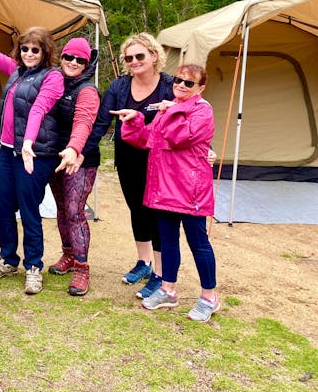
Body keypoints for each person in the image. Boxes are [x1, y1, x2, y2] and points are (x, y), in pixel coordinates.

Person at [0, 0, 64, 296]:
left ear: (45, 52)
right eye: (25, 48)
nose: (29, 53)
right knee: (3, 207)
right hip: (8, 151)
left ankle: (34, 266)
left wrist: (29, 142)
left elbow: (39, 109)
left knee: (29, 210)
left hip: (35, 154)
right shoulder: (17, 71)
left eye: (35, 49)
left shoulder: (53, 77)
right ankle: (8, 259)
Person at [111, 63, 220, 322]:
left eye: (189, 83)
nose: (181, 85)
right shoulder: (170, 108)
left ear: (201, 88)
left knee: (199, 243)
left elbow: (180, 136)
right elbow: (147, 139)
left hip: (190, 190)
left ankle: (209, 297)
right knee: (168, 240)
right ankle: (168, 289)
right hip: (164, 187)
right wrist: (136, 119)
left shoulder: (202, 110)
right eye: (178, 80)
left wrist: (173, 109)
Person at [81, 33, 173, 299]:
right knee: (137, 209)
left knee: (156, 214)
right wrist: (81, 151)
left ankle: (160, 272)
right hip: (127, 158)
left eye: (140, 56)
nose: (134, 62)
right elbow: (101, 123)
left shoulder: (169, 86)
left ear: (154, 56)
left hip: (159, 161)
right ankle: (143, 263)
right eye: (129, 58)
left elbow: (188, 113)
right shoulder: (119, 87)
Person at [46, 38, 101, 296]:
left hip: (81, 158)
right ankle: (68, 254)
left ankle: (82, 267)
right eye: (69, 57)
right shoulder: (54, 80)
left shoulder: (87, 90)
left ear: (86, 63)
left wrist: (75, 149)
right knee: (61, 208)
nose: (73, 63)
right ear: (62, 57)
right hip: (56, 155)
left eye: (80, 60)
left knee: (74, 210)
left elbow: (83, 122)